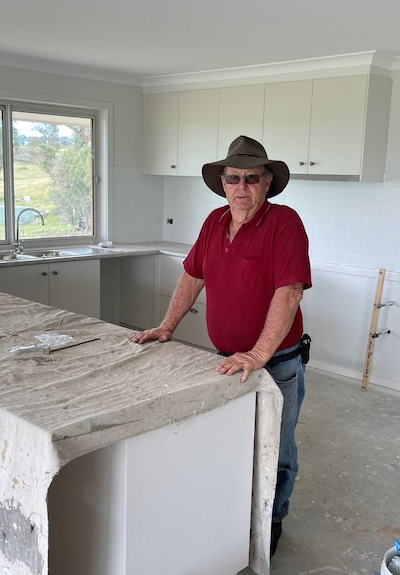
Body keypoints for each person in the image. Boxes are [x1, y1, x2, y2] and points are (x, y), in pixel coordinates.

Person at [130, 135, 312, 557]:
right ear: (223, 183)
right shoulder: (214, 222)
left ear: (267, 182)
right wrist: (166, 325)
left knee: (277, 448)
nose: (242, 186)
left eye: (252, 178)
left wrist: (258, 354)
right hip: (226, 361)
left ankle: (273, 519)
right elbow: (193, 276)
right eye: (234, 178)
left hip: (276, 362)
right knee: (230, 440)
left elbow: (290, 292)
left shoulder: (284, 224)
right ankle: (233, 512)